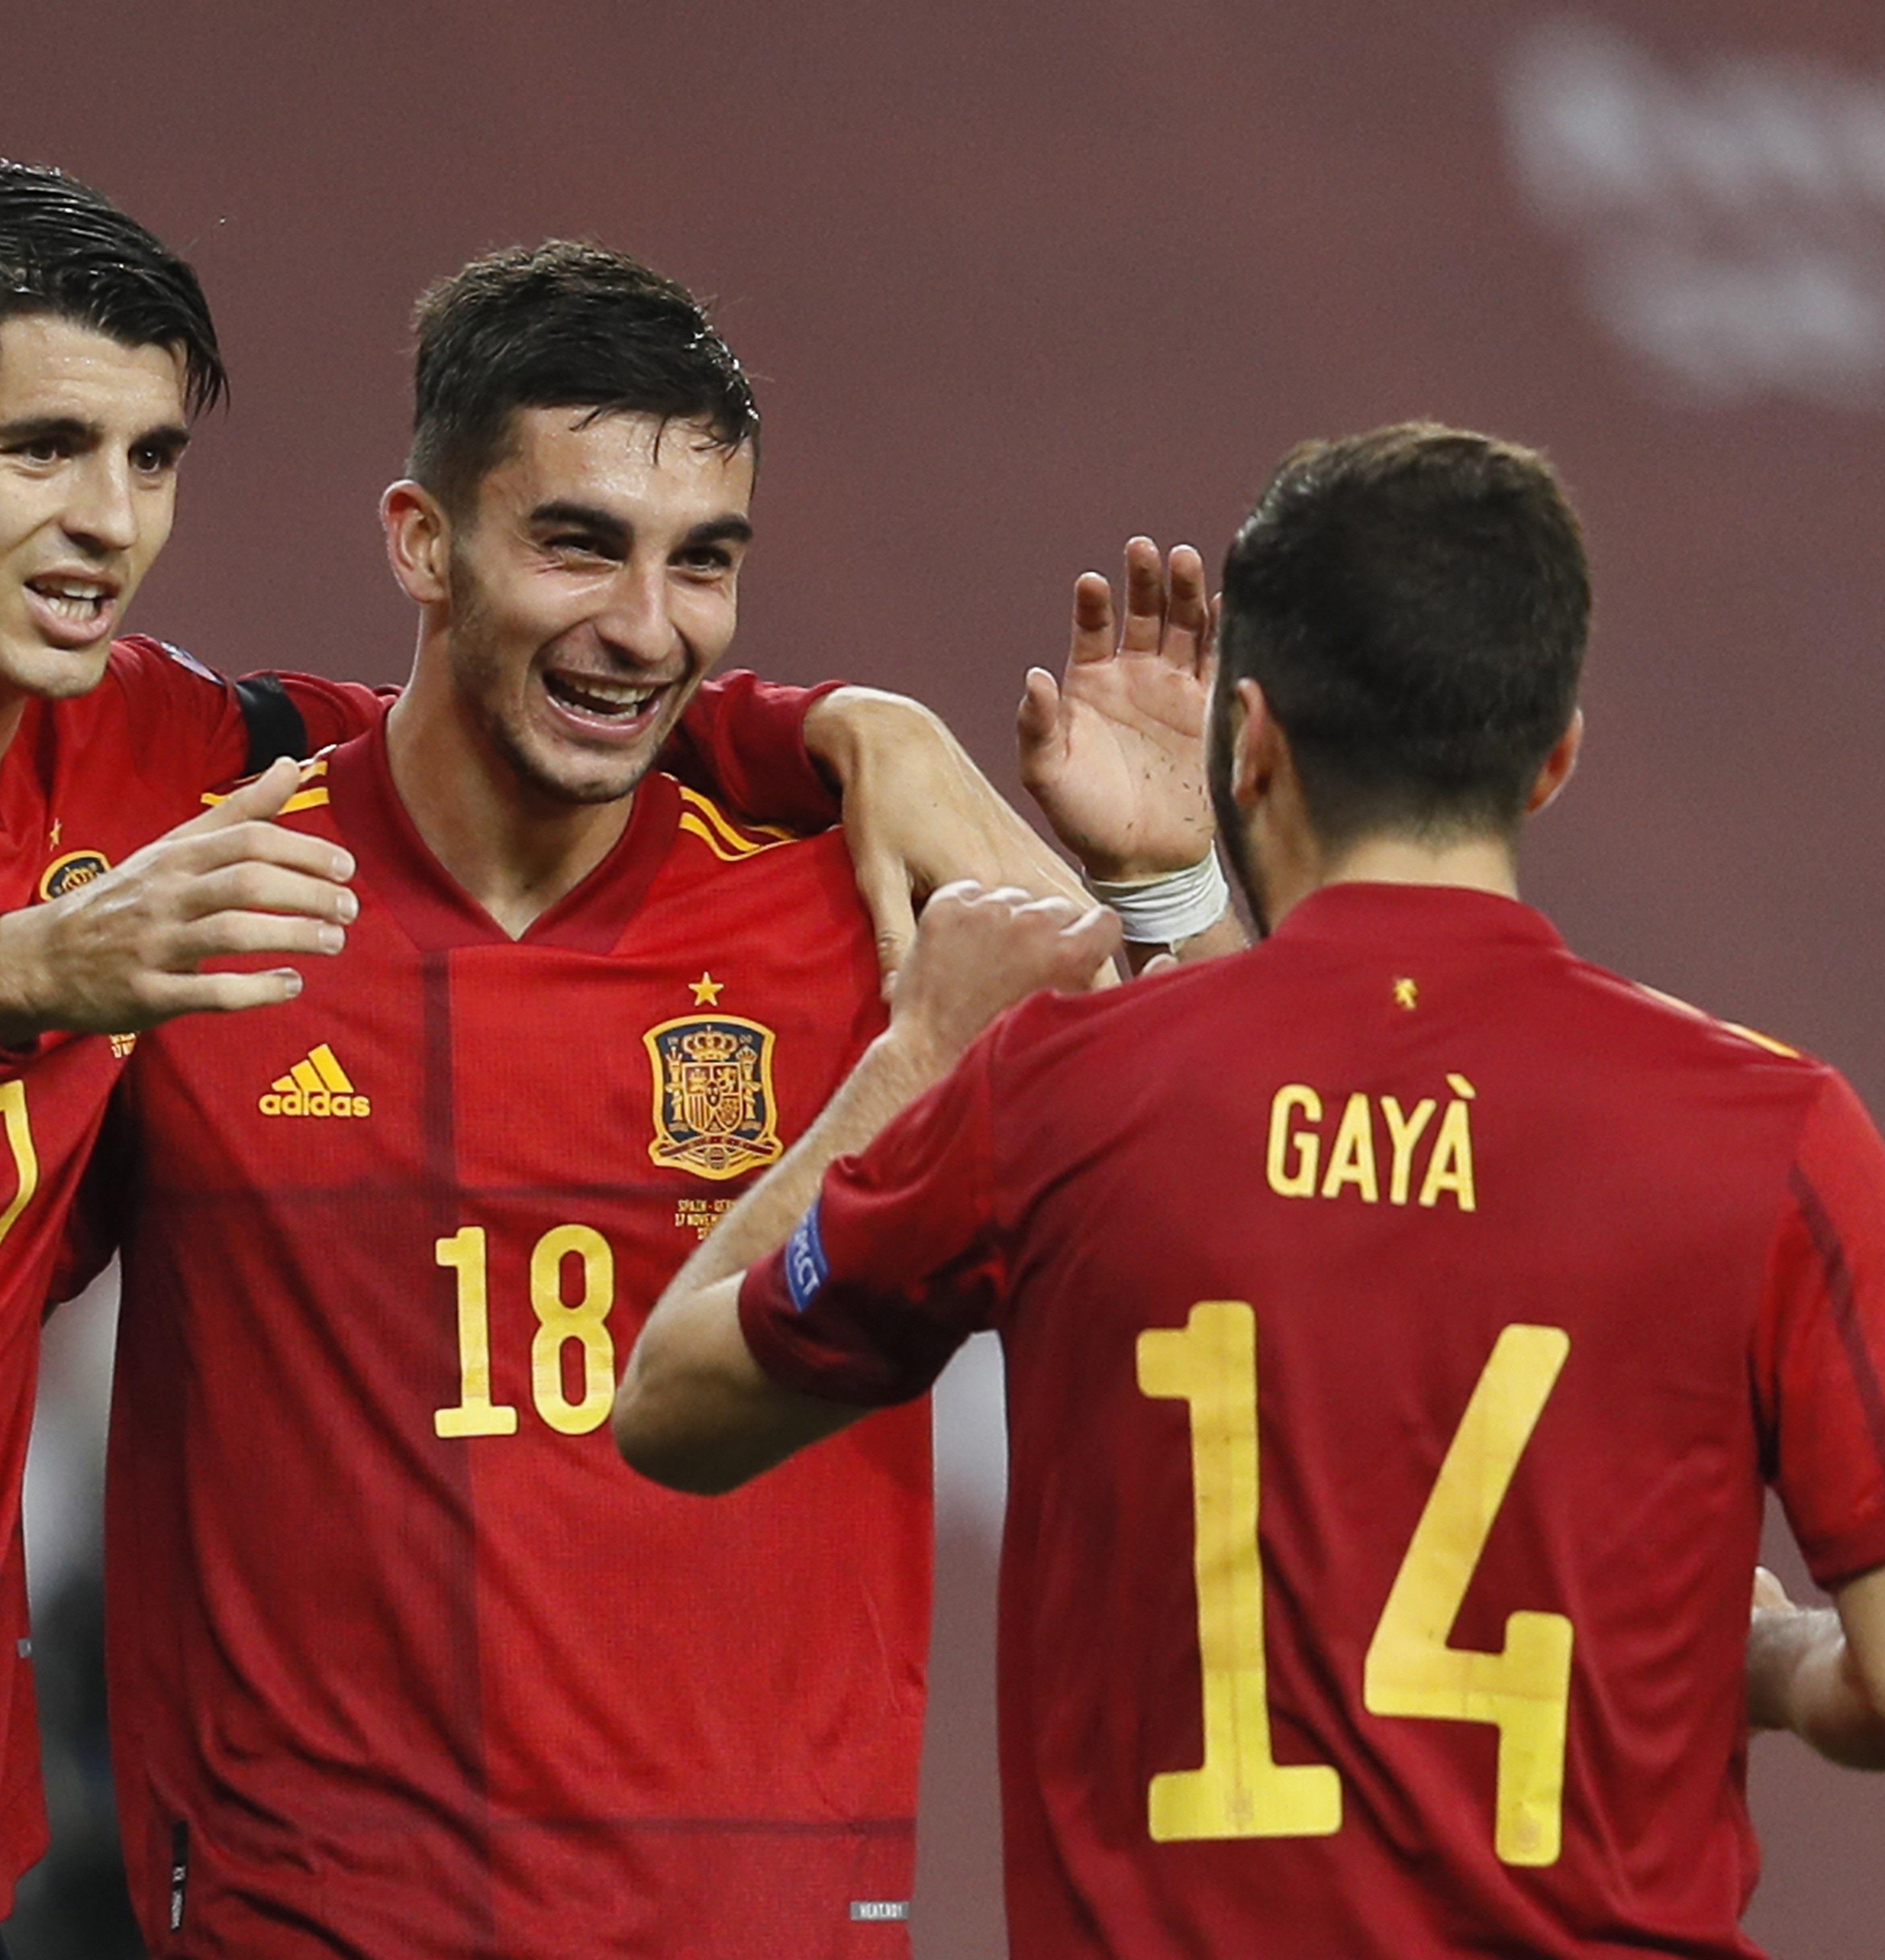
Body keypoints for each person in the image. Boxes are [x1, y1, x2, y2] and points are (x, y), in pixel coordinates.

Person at [0, 165, 1049, 1960]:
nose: (106, 522)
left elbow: (499, 713)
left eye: (151, 460)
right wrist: (15, 969)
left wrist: (849, 727)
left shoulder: (144, 739)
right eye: (44, 448)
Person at [618, 423, 1885, 1959]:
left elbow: (675, 1405)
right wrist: (1766, 1666)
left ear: (1254, 740)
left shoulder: (1063, 1096)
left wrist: (918, 1050)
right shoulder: (1771, 1127)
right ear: (1554, 757)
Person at [72, 241, 1167, 1958]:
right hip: (311, 1923)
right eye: (577, 542)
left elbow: (1237, 1202)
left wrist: (1163, 897)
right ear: (420, 542)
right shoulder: (199, 916)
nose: (644, 627)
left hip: (754, 1919)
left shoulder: (853, 926)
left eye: (701, 563)